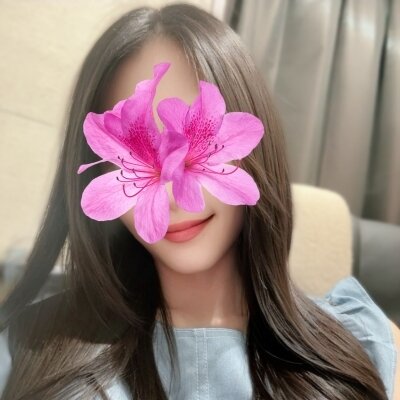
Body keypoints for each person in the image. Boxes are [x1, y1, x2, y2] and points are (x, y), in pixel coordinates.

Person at [0, 3, 399, 400]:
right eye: (140, 153)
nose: (176, 196)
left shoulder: (359, 338)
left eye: (186, 147)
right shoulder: (30, 346)